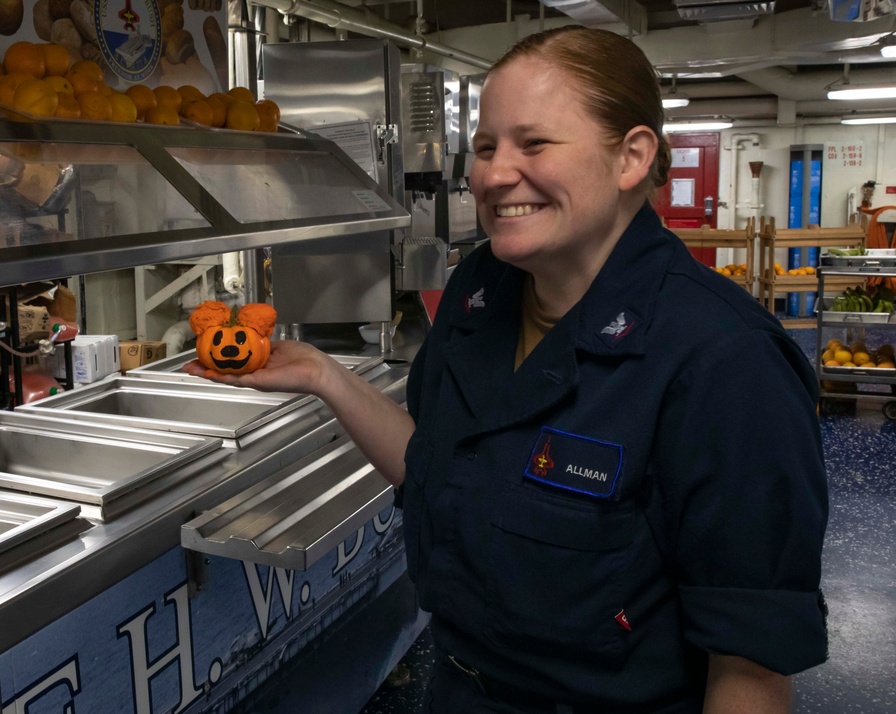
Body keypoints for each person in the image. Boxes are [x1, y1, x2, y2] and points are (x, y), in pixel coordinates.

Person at [185, 25, 828, 714]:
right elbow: (431, 464)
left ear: (631, 157)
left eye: (534, 143)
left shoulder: (724, 362)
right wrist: (322, 374)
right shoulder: (482, 290)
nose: (492, 175)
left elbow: (750, 669)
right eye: (486, 147)